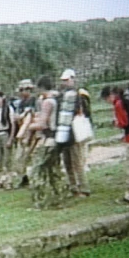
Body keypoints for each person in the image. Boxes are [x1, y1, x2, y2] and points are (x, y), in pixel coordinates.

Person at [27, 76, 68, 209]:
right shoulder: (56, 99)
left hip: (47, 139)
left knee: (37, 170)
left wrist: (29, 126)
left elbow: (43, 123)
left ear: (41, 88)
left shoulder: (47, 102)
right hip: (56, 138)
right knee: (54, 170)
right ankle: (59, 198)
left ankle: (41, 201)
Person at [101, 86, 129, 204]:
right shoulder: (126, 100)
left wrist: (116, 123)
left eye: (106, 99)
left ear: (110, 96)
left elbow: (124, 122)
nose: (108, 102)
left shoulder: (118, 104)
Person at [58, 69, 92, 197]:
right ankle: (73, 187)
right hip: (65, 133)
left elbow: (84, 112)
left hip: (75, 132)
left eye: (67, 80)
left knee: (77, 162)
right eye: (64, 81)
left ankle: (84, 187)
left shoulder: (80, 94)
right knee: (67, 162)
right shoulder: (62, 95)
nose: (65, 83)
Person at [8, 79, 36, 187]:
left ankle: (35, 178)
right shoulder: (20, 103)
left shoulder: (34, 101)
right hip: (21, 131)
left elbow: (31, 117)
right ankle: (24, 178)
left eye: (24, 90)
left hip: (31, 132)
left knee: (32, 157)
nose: (22, 92)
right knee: (19, 158)